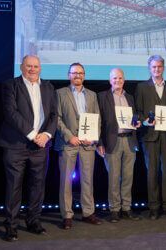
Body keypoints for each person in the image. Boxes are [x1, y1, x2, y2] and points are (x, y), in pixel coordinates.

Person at [0, 55, 58, 241]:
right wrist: (33, 135)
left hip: (40, 146)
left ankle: (33, 221)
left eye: (36, 66)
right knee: (14, 186)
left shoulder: (48, 87)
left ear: (40, 68)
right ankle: (11, 226)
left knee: (37, 185)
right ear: (22, 67)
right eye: (29, 66)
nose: (32, 69)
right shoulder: (10, 85)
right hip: (15, 145)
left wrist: (46, 135)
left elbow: (54, 115)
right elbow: (10, 113)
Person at [54, 62, 102, 229]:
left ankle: (88, 212)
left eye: (80, 73)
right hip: (68, 144)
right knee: (66, 181)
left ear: (84, 75)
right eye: (74, 73)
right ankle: (67, 215)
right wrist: (69, 136)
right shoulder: (60, 93)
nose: (77, 75)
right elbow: (57, 118)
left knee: (88, 180)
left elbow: (97, 118)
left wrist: (93, 138)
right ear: (69, 75)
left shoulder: (92, 95)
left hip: (88, 145)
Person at [135, 55, 166, 220]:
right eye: (154, 67)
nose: (157, 69)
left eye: (159, 66)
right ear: (149, 68)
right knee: (152, 173)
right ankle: (154, 207)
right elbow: (138, 112)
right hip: (150, 137)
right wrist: (144, 121)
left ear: (163, 68)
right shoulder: (141, 87)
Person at [97, 68, 141, 223]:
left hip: (129, 140)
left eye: (120, 78)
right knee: (114, 178)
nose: (117, 81)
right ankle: (114, 209)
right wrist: (99, 143)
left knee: (128, 177)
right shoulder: (102, 96)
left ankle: (126, 208)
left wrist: (137, 122)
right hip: (111, 142)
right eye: (114, 78)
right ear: (110, 80)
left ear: (124, 80)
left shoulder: (129, 97)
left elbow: (134, 117)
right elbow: (98, 121)